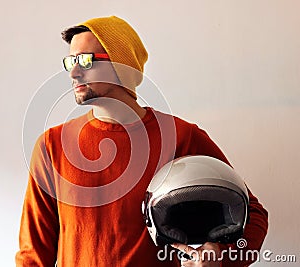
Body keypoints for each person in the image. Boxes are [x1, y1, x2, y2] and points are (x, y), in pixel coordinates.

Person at [16, 16, 268, 267]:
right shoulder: (51, 146)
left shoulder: (181, 136)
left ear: (122, 65)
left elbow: (253, 213)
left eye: (85, 60)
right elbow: (33, 256)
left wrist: (223, 258)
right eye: (70, 61)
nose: (73, 71)